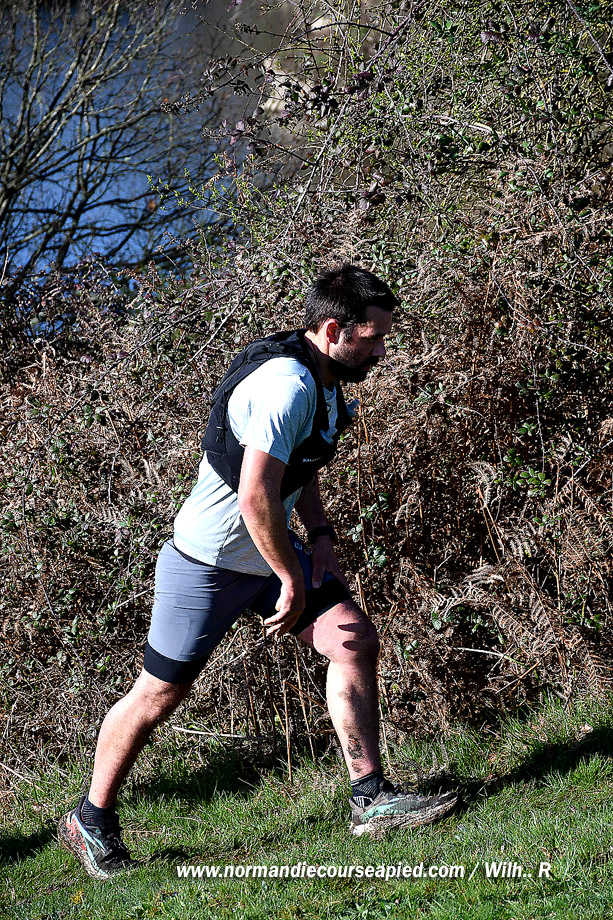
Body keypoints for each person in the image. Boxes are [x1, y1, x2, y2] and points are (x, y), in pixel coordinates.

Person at [58, 263, 458, 880]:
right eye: (372, 338)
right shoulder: (285, 386)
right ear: (333, 330)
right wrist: (291, 577)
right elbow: (254, 495)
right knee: (158, 694)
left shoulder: (324, 380)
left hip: (267, 550)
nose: (382, 350)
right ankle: (91, 817)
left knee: (352, 640)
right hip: (207, 561)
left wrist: (319, 536)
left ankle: (370, 798)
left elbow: (300, 467)